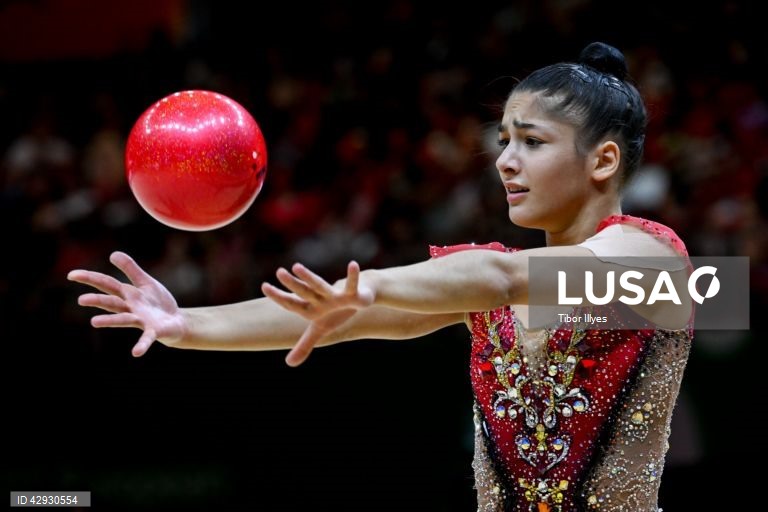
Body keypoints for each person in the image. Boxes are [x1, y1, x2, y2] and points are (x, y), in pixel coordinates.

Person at [69, 42, 693, 511]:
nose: (504, 160)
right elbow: (338, 318)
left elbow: (504, 277)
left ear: (603, 160)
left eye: (531, 141)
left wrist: (372, 284)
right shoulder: (483, 288)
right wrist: (185, 325)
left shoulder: (654, 264)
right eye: (503, 139)